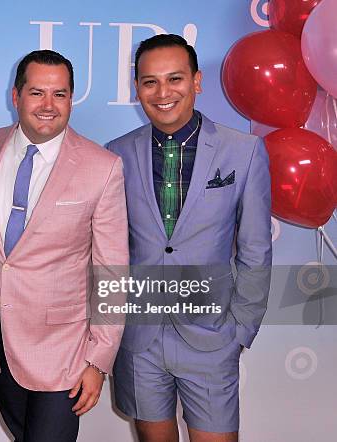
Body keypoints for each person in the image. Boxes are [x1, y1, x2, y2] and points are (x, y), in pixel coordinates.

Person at [106, 34, 272, 442]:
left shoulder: (244, 151)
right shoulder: (115, 154)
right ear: (137, 87)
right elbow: (107, 248)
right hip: (139, 338)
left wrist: (240, 330)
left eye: (175, 79)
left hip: (212, 336)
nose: (163, 93)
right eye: (149, 82)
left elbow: (255, 248)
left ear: (197, 81)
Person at [0, 50, 129, 441]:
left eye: (59, 94)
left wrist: (99, 359)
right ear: (16, 96)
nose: (47, 105)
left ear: (71, 99)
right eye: (36, 92)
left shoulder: (102, 166)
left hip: (64, 351)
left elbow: (112, 270)